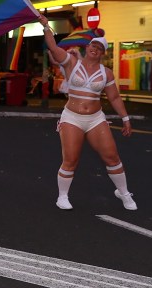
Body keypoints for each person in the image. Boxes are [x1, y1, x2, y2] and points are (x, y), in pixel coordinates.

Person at [38, 15, 136, 211]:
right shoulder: (71, 62)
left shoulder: (106, 73)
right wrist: (46, 27)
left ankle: (124, 193)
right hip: (72, 118)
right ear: (87, 47)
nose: (95, 49)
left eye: (99, 48)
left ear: (102, 53)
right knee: (71, 159)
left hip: (95, 119)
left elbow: (114, 98)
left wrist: (125, 118)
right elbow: (54, 49)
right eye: (93, 45)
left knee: (112, 156)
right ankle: (62, 196)